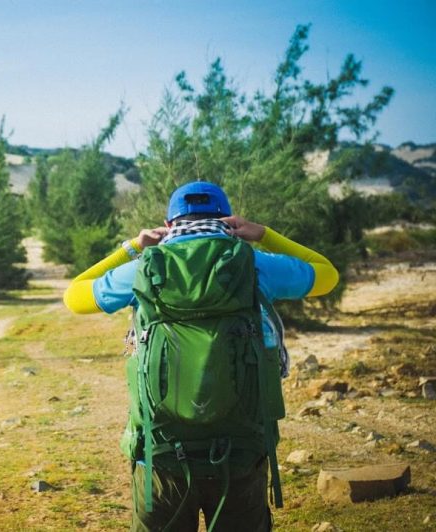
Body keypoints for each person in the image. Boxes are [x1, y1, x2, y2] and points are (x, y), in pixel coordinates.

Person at [63, 181, 338, 531]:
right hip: (243, 448)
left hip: (161, 452)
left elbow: (73, 296)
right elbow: (327, 274)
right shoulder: (254, 265)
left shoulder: (144, 268)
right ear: (227, 220)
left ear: (168, 224)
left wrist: (133, 246)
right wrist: (264, 234)